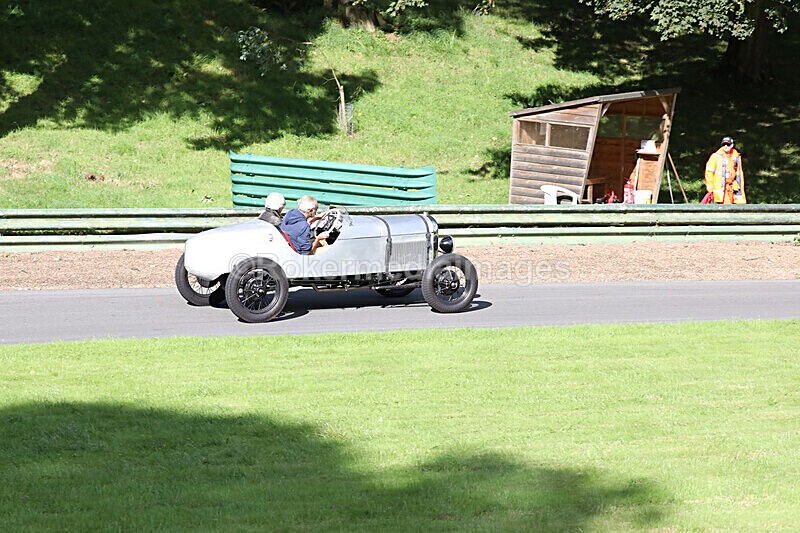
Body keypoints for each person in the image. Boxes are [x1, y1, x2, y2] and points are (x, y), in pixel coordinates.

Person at [704, 136, 746, 204]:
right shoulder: (716, 156)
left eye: (728, 144)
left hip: (733, 188)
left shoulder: (736, 157)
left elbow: (739, 174)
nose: (725, 146)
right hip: (722, 190)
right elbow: (709, 172)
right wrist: (710, 189)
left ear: (732, 145)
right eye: (724, 144)